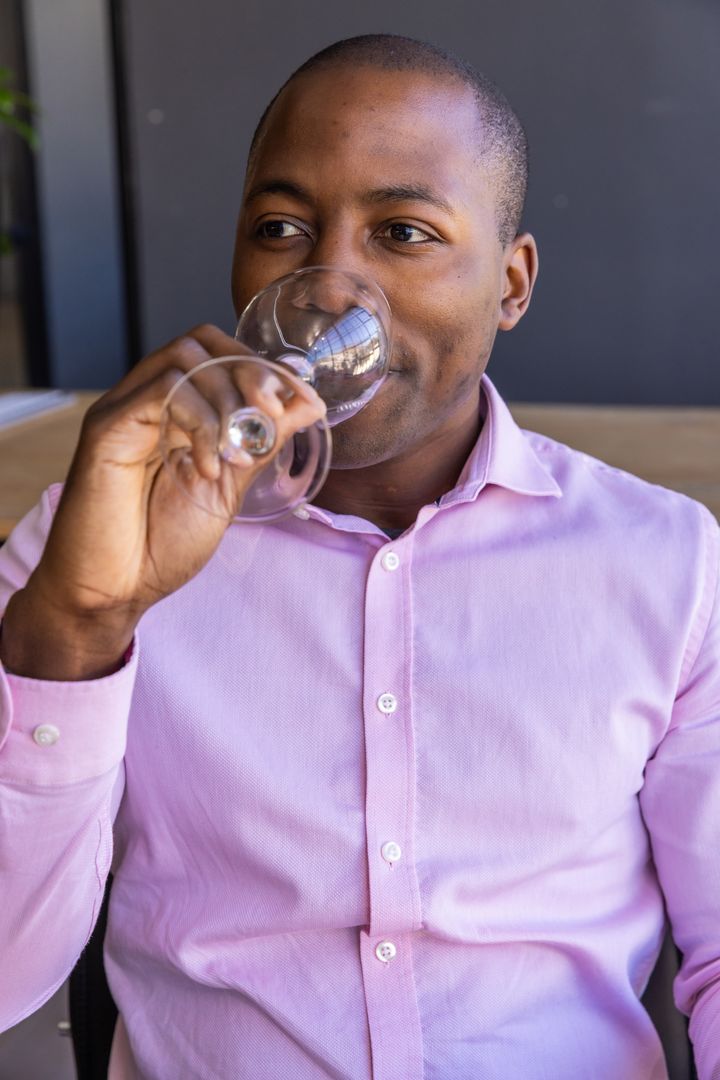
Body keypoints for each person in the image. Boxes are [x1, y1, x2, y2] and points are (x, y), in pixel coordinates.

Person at [0, 33, 718, 1080]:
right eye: (282, 227)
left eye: (403, 232)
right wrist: (79, 628)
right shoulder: (85, 547)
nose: (331, 287)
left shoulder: (670, 566)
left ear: (511, 285)